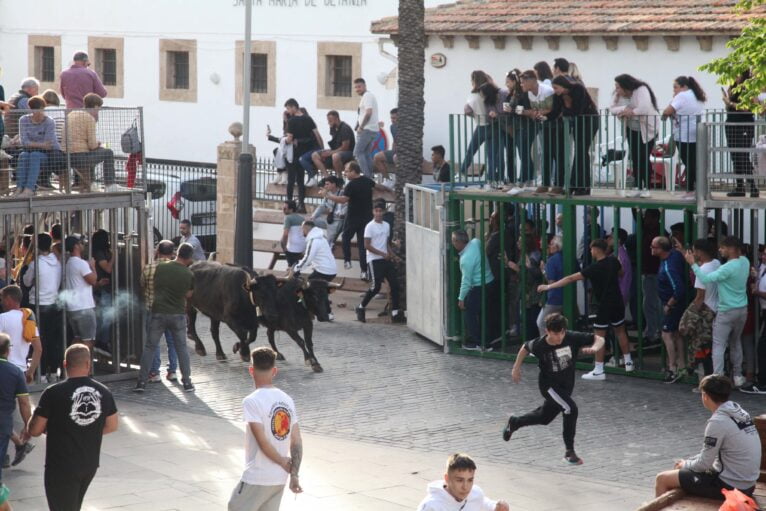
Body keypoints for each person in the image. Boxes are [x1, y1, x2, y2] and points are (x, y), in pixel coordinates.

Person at [504, 313, 605, 465]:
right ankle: (569, 452)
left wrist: (594, 348)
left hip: (566, 386)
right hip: (549, 386)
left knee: (545, 418)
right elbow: (525, 347)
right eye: (556, 334)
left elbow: (599, 338)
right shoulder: (540, 345)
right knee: (570, 408)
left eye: (562, 333)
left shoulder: (571, 337)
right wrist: (516, 368)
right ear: (548, 332)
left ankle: (515, 422)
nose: (560, 337)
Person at [28, 343, 118, 511]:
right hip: (89, 463)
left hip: (61, 465)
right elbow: (112, 425)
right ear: (88, 364)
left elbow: (34, 430)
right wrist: (88, 430)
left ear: (65, 364)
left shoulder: (53, 392)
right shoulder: (104, 392)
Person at [539, 239, 634, 380]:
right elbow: (621, 272)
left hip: (603, 304)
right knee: (620, 331)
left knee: (599, 337)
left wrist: (548, 287)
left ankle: (599, 370)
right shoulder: (614, 261)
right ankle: (628, 363)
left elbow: (571, 278)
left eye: (591, 249)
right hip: (617, 301)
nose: (590, 251)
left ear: (596, 249)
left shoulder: (594, 268)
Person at [654, 375, 761, 500]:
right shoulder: (740, 412)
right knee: (682, 471)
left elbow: (704, 464)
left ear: (705, 396)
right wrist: (687, 463)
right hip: (749, 484)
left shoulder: (718, 422)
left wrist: (685, 464)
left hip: (730, 486)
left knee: (662, 479)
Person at [227, 347, 303, 511]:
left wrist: (283, 462)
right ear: (274, 371)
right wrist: (294, 474)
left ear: (251, 370)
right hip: (279, 478)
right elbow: (296, 441)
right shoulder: (287, 400)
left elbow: (263, 442)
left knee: (235, 507)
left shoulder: (251, 401)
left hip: (258, 475)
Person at [685, 236, 750, 387]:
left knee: (718, 345)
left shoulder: (726, 268)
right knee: (736, 342)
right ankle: (738, 375)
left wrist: (693, 264)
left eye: (722, 248)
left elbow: (705, 279)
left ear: (731, 248)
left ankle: (718, 379)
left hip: (726, 310)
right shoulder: (745, 262)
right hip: (742, 309)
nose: (719, 250)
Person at [133, 243, 196, 393]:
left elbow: (150, 285)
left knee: (150, 347)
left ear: (177, 252)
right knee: (181, 348)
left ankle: (141, 382)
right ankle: (186, 382)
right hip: (178, 315)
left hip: (158, 313)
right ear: (189, 257)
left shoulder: (161, 267)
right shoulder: (189, 274)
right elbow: (189, 295)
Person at [322, 162, 387, 280]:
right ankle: (364, 271)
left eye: (347, 171)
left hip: (352, 217)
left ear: (353, 171)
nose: (345, 173)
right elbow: (378, 186)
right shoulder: (367, 180)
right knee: (362, 246)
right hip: (366, 218)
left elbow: (343, 200)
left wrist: (328, 195)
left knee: (346, 237)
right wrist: (389, 189)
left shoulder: (350, 185)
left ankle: (347, 260)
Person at [610, 74, 660, 198]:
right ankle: (638, 186)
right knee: (636, 158)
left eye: (618, 86)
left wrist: (630, 112)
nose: (616, 89)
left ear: (625, 85)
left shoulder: (641, 89)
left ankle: (647, 188)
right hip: (632, 129)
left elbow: (644, 107)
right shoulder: (618, 95)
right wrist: (625, 108)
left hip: (647, 129)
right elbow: (612, 109)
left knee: (644, 157)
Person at [21, 233, 62, 382]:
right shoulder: (57, 262)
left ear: (36, 246)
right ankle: (52, 373)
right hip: (53, 304)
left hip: (37, 304)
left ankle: (42, 373)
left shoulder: (35, 263)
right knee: (51, 340)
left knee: (38, 341)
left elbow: (26, 282)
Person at [355, 202, 403, 324]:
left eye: (380, 211)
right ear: (373, 212)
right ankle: (361, 307)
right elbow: (367, 245)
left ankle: (395, 312)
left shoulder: (386, 225)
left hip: (386, 259)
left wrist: (393, 255)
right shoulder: (369, 226)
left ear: (384, 211)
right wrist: (382, 254)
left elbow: (386, 244)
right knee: (375, 287)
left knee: (395, 285)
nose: (378, 213)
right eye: (376, 211)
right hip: (374, 259)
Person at [550, 75, 599, 195]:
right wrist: (544, 117)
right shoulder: (558, 96)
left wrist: (566, 109)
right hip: (578, 123)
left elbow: (578, 110)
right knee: (579, 152)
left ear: (563, 85)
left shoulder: (578, 89)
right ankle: (574, 184)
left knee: (582, 151)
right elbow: (556, 112)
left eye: (556, 88)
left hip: (589, 121)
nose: (555, 91)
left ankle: (584, 186)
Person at [661, 76, 706, 199]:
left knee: (688, 162)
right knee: (694, 161)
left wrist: (666, 112)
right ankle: (699, 189)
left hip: (684, 134)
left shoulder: (682, 96)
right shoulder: (696, 95)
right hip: (697, 132)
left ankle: (691, 190)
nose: (674, 90)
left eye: (676, 87)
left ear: (684, 87)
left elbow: (667, 111)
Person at [142, 240, 180, 383]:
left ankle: (154, 372)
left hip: (154, 310)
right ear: (172, 253)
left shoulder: (149, 268)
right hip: (173, 310)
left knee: (154, 342)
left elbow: (142, 285)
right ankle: (172, 372)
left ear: (157, 251)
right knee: (173, 342)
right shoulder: (178, 269)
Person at [510, 70, 554, 195]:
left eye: (523, 82)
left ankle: (551, 181)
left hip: (552, 124)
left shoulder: (546, 91)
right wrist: (532, 112)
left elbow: (549, 109)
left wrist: (531, 112)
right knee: (542, 152)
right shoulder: (529, 93)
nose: (521, 85)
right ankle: (543, 181)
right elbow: (535, 110)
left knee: (552, 153)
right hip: (541, 123)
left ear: (532, 81)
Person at [64, 93, 119, 192]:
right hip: (80, 157)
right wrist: (98, 144)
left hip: (66, 155)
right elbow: (92, 145)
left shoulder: (71, 114)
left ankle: (88, 183)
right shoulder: (89, 118)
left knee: (91, 153)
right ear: (96, 106)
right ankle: (110, 185)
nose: (98, 111)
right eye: (99, 109)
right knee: (108, 152)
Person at [416, 453, 510, 511]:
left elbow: (486, 503)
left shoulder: (476, 493)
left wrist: (497, 507)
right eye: (459, 480)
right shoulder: (431, 506)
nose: (466, 487)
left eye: (470, 480)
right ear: (447, 478)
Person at [650, 237, 687, 382]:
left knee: (667, 335)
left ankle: (672, 368)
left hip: (673, 305)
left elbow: (679, 289)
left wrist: (669, 305)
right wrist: (681, 249)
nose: (651, 249)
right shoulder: (675, 255)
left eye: (653, 246)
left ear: (662, 249)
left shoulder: (668, 268)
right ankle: (682, 366)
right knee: (677, 334)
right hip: (678, 304)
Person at [452, 229, 496, 350]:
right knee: (485, 314)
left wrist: (461, 298)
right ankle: (487, 341)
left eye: (453, 241)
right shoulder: (476, 242)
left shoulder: (465, 259)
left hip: (478, 287)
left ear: (458, 242)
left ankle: (478, 343)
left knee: (469, 313)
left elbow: (466, 281)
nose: (452, 244)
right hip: (490, 282)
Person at [0, 333, 32, 495]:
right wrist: (28, 426)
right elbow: (24, 403)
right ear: (8, 351)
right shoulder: (15, 372)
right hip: (3, 424)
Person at [63, 236, 105, 353]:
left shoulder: (69, 263)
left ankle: (68, 366)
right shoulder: (81, 263)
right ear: (76, 246)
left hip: (73, 308)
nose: (83, 245)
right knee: (88, 342)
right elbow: (93, 279)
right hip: (84, 308)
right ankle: (82, 369)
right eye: (81, 243)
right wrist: (92, 266)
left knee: (77, 339)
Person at [15, 95, 60, 197]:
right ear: (30, 109)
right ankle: (20, 187)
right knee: (23, 155)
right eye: (35, 110)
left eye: (41, 110)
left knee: (34, 155)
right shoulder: (23, 120)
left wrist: (32, 144)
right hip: (29, 152)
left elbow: (49, 145)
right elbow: (24, 142)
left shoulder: (49, 121)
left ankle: (29, 189)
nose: (39, 113)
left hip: (49, 155)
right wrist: (41, 144)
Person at [723, 71, 759, 197]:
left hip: (744, 124)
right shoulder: (732, 87)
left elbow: (749, 107)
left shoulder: (749, 88)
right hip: (731, 124)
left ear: (744, 76)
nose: (735, 77)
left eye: (737, 74)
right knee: (735, 156)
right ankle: (739, 187)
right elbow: (729, 108)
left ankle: (753, 186)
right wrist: (727, 99)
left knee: (742, 155)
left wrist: (730, 103)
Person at [283, 99, 317, 211]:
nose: (288, 111)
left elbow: (289, 139)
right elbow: (315, 135)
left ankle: (289, 204)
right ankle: (301, 204)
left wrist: (285, 140)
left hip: (293, 153)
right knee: (301, 180)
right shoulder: (308, 119)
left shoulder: (291, 121)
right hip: (304, 153)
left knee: (291, 180)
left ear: (293, 107)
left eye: (288, 108)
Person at [460, 71, 492, 177]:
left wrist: (474, 115)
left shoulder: (473, 96)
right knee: (493, 155)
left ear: (474, 81)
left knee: (471, 151)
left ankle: (461, 172)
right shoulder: (488, 94)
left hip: (481, 126)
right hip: (493, 126)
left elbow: (467, 110)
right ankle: (493, 177)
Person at [744, 247, 766, 393]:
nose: (763, 257)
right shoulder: (763, 268)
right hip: (763, 310)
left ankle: (763, 382)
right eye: (763, 254)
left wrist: (756, 291)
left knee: (762, 346)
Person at [310, 110, 354, 178]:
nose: (328, 122)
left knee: (335, 156)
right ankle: (327, 177)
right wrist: (327, 152)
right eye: (328, 120)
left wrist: (330, 153)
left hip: (348, 152)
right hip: (336, 150)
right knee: (315, 155)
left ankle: (339, 178)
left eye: (330, 120)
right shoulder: (333, 128)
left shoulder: (344, 128)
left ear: (336, 118)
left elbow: (345, 147)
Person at [352, 78, 379, 179]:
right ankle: (370, 177)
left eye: (359, 86)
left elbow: (368, 112)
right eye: (355, 87)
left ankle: (367, 177)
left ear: (365, 86)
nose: (357, 89)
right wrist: (357, 125)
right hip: (371, 129)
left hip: (367, 129)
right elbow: (363, 114)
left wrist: (361, 126)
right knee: (366, 153)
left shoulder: (367, 96)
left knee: (357, 152)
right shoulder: (367, 96)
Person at [537, 236, 564, 336]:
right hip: (568, 296)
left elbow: (551, 281)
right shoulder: (569, 257)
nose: (549, 246)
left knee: (542, 323)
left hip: (555, 297)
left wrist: (543, 270)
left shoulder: (552, 260)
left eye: (552, 244)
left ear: (557, 246)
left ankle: (547, 348)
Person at [310, 176, 345, 246]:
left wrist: (342, 213)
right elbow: (322, 206)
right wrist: (313, 216)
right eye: (325, 184)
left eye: (327, 184)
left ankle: (329, 246)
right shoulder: (327, 193)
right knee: (309, 223)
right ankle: (319, 240)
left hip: (338, 221)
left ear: (334, 184)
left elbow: (346, 206)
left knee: (329, 242)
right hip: (329, 220)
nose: (325, 186)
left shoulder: (342, 193)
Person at [373, 108, 398, 185]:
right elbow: (395, 141)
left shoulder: (406, 129)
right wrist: (391, 151)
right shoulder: (392, 127)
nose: (392, 120)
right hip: (395, 152)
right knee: (377, 157)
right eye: (391, 118)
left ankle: (400, 182)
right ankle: (388, 180)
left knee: (396, 158)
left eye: (394, 118)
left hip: (405, 153)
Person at [280, 201, 306, 268]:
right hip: (302, 246)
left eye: (285, 208)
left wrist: (284, 247)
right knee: (296, 266)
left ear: (291, 210)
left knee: (291, 267)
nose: (283, 210)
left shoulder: (288, 218)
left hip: (293, 247)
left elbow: (285, 234)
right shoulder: (302, 218)